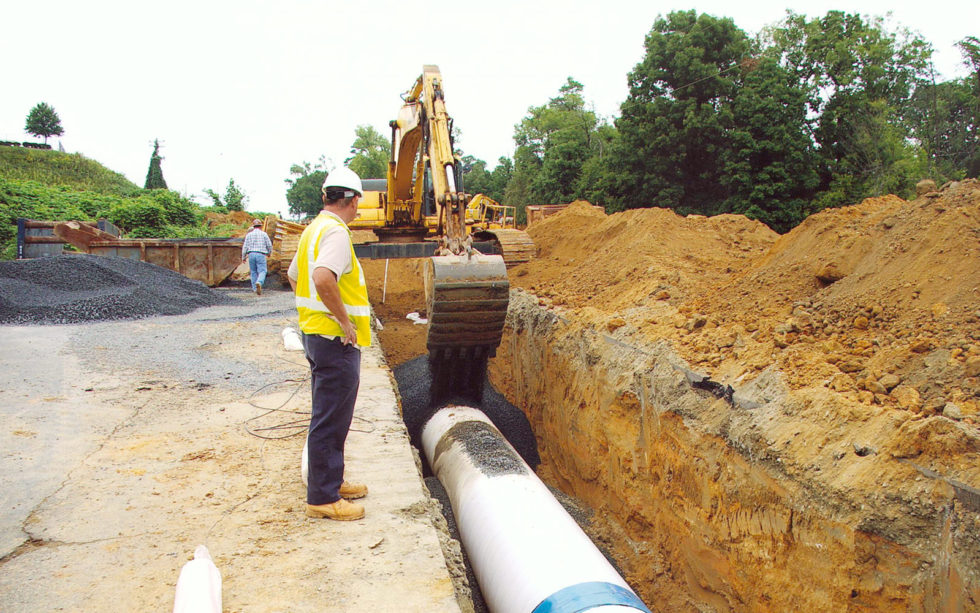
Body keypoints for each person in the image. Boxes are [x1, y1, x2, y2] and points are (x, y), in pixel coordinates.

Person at [287, 166, 371, 521]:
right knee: (331, 417)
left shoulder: (313, 229)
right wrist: (340, 319)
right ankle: (322, 497)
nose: (357, 210)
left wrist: (316, 315)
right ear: (350, 200)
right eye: (357, 203)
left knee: (331, 414)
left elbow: (294, 275)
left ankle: (330, 482)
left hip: (316, 335)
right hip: (334, 340)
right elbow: (323, 277)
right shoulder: (335, 232)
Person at [242, 219, 273, 295]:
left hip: (251, 254)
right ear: (261, 226)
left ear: (253, 226)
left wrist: (243, 257)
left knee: (253, 272)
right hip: (261, 254)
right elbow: (269, 245)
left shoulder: (249, 235)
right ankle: (259, 282)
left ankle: (255, 289)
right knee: (262, 271)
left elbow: (245, 247)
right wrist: (269, 253)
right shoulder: (264, 234)